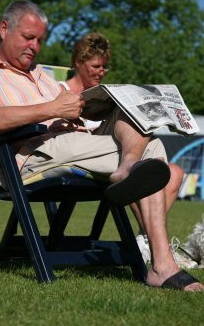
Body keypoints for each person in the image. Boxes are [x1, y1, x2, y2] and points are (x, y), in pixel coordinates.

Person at [0, 1, 204, 292]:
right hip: (28, 156)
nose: (35, 46)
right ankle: (162, 264)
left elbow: (69, 115)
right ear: (4, 29)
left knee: (140, 126)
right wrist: (51, 109)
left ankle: (129, 173)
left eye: (40, 40)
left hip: (71, 143)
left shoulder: (41, 77)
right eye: (28, 37)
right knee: (151, 155)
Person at [62, 32, 185, 247]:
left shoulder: (102, 93)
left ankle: (145, 239)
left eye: (104, 67)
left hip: (115, 151)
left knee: (174, 173)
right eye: (95, 66)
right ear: (77, 63)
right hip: (87, 154)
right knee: (139, 171)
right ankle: (156, 244)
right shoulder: (61, 92)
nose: (101, 72)